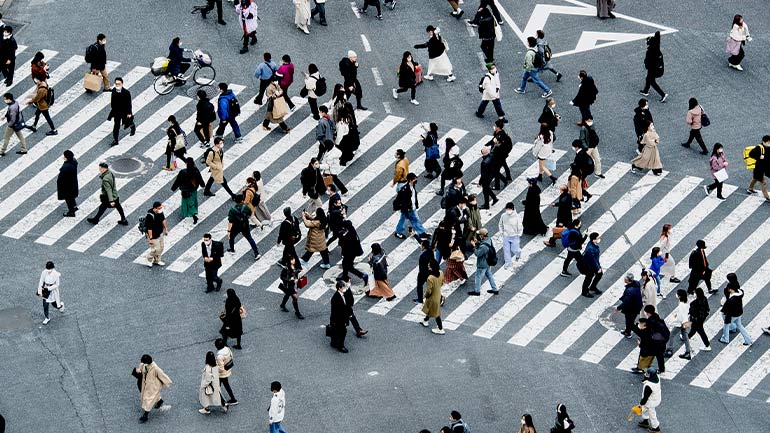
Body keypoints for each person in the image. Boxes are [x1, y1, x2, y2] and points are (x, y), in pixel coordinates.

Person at [135, 354, 172, 423]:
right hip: (146, 385)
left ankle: (145, 416)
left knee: (148, 401)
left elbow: (162, 375)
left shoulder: (155, 368)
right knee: (153, 397)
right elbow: (141, 369)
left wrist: (167, 382)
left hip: (152, 387)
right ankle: (160, 402)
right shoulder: (144, 365)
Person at [171, 157, 205, 224]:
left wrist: (173, 188)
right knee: (193, 201)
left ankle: (191, 214)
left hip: (185, 190)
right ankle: (193, 213)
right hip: (193, 189)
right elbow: (200, 179)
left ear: (186, 163)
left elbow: (178, 181)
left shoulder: (183, 172)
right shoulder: (196, 170)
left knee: (186, 202)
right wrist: (203, 185)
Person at [720, 276, 752, 346]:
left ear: (731, 289)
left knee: (726, 325)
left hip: (733, 314)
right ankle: (748, 340)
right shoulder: (740, 293)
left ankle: (725, 338)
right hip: (739, 313)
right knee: (739, 325)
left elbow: (729, 311)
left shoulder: (732, 300)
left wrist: (727, 318)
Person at [227, 194, 261, 259]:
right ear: (242, 200)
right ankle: (256, 253)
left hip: (236, 226)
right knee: (250, 239)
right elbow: (250, 214)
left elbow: (230, 221)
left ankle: (232, 249)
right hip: (245, 225)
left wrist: (229, 230)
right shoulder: (246, 207)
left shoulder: (232, 210)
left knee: (231, 237)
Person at [394, 173, 427, 239]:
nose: (416, 180)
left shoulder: (412, 186)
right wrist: (406, 211)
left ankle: (421, 232)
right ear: (410, 180)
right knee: (403, 221)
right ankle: (398, 232)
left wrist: (415, 205)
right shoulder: (405, 190)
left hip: (412, 208)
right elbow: (403, 202)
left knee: (415, 220)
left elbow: (413, 197)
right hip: (407, 209)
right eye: (414, 179)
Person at [338, 219, 369, 288]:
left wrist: (341, 236)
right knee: (345, 264)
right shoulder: (351, 229)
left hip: (350, 253)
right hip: (354, 251)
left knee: (349, 266)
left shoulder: (346, 235)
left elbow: (342, 244)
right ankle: (345, 277)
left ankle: (363, 276)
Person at [418, 258, 445, 334]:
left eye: (429, 266)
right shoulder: (441, 273)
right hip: (438, 295)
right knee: (430, 309)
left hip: (432, 298)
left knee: (436, 314)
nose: (428, 267)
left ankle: (440, 328)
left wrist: (425, 295)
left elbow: (429, 290)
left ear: (433, 268)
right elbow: (442, 283)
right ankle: (425, 320)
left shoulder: (430, 278)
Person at [107, 77, 136, 146]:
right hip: (116, 112)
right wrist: (113, 110)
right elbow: (112, 101)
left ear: (122, 84)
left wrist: (129, 113)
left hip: (124, 112)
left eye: (119, 84)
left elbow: (129, 104)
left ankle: (133, 127)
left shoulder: (126, 92)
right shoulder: (114, 90)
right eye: (116, 84)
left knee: (128, 122)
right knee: (116, 126)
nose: (117, 85)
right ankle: (116, 140)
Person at [469, 228, 499, 296]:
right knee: (490, 276)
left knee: (478, 277)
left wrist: (474, 246)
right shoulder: (489, 240)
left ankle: (477, 291)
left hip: (483, 264)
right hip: (488, 263)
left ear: (482, 235)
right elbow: (483, 246)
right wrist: (478, 242)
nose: (479, 236)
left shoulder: (484, 246)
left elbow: (478, 253)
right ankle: (495, 289)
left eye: (479, 235)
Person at [640, 31, 668, 103]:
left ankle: (663, 94)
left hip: (653, 69)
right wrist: (657, 34)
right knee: (648, 78)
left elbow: (647, 61)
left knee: (651, 81)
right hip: (659, 68)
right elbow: (657, 40)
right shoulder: (656, 47)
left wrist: (646, 65)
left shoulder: (649, 51)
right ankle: (645, 91)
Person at [667, 289, 693, 360]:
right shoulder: (686, 302)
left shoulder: (681, 305)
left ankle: (669, 350)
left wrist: (674, 321)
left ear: (679, 296)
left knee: (671, 335)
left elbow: (681, 316)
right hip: (685, 322)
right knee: (685, 336)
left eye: (677, 294)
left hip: (681, 323)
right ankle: (688, 352)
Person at [616, 273, 643, 338]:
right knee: (630, 320)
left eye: (625, 278)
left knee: (629, 322)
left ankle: (639, 334)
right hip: (636, 306)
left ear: (628, 281)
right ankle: (627, 332)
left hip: (631, 308)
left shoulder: (629, 291)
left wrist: (618, 308)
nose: (624, 279)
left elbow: (626, 302)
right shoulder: (636, 283)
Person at [0, 93, 26, 157]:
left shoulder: (12, 108)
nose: (5, 100)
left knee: (6, 138)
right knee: (20, 136)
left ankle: (2, 151)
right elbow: (9, 112)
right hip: (17, 124)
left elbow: (13, 119)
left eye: (5, 99)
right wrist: (5, 116)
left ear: (9, 99)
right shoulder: (15, 102)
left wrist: (9, 125)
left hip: (12, 125)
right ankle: (24, 149)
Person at [144, 201, 169, 267]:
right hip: (153, 235)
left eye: (161, 207)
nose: (160, 209)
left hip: (160, 232)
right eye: (159, 208)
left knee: (161, 247)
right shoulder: (150, 216)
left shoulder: (160, 212)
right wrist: (151, 239)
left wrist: (166, 229)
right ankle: (148, 259)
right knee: (155, 249)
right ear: (155, 208)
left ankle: (157, 260)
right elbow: (149, 229)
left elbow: (163, 220)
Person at [637, 368, 662, 432]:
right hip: (656, 398)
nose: (645, 374)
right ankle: (645, 421)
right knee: (645, 409)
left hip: (651, 402)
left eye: (647, 374)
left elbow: (645, 398)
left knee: (652, 414)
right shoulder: (657, 377)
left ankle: (656, 428)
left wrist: (640, 404)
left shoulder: (649, 386)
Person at [687, 287, 711, 352]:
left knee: (700, 331)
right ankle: (687, 337)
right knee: (694, 329)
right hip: (702, 318)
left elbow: (692, 312)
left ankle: (707, 345)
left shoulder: (694, 303)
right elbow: (707, 309)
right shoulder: (704, 298)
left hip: (696, 319)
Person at [499, 202, 522, 268]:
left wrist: (519, 234)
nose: (508, 210)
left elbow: (520, 226)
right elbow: (500, 224)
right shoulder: (503, 216)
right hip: (506, 236)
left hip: (514, 236)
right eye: (507, 209)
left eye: (509, 209)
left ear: (512, 209)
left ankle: (518, 253)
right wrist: (502, 232)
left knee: (514, 249)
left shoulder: (517, 217)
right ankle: (507, 263)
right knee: (506, 250)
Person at [214, 338, 237, 405]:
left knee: (218, 385)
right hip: (227, 370)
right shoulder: (227, 349)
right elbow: (231, 356)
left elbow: (221, 368)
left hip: (222, 374)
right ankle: (232, 399)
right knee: (225, 385)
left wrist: (214, 368)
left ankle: (219, 399)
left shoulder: (219, 356)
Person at [746, 136, 770, 201]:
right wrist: (759, 156)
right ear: (764, 142)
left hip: (766, 167)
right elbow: (751, 154)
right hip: (759, 168)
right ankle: (767, 197)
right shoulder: (759, 148)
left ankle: (750, 189)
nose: (769, 143)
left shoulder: (768, 147)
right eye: (768, 142)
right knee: (763, 182)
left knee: (756, 178)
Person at [329, 280, 350, 352]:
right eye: (344, 286)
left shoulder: (341, 295)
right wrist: (344, 321)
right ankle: (341, 346)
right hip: (338, 319)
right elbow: (337, 312)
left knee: (336, 331)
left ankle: (333, 342)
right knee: (343, 332)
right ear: (339, 288)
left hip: (338, 319)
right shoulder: (336, 298)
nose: (345, 288)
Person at [57, 150, 79, 217]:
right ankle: (74, 206)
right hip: (73, 183)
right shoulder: (74, 161)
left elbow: (61, 178)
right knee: (71, 196)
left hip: (67, 186)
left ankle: (71, 212)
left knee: (68, 198)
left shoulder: (66, 167)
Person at [581, 232, 603, 298]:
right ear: (594, 240)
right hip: (589, 266)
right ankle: (584, 292)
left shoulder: (592, 244)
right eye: (598, 238)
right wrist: (598, 267)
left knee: (599, 274)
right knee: (588, 278)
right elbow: (593, 260)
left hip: (593, 264)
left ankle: (593, 287)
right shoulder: (591, 249)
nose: (599, 239)